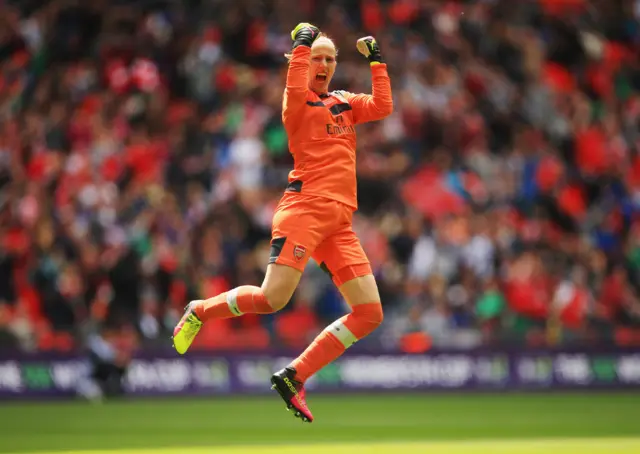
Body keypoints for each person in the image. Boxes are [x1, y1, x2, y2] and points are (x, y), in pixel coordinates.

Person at [172, 22, 393, 423]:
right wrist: (303, 43)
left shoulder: (344, 102)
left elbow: (382, 107)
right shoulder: (297, 103)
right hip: (304, 211)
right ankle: (200, 310)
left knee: (369, 313)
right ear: (303, 64)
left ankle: (294, 376)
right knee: (273, 298)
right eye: (316, 58)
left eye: (330, 59)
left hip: (339, 223)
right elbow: (294, 83)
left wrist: (377, 61)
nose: (323, 64)